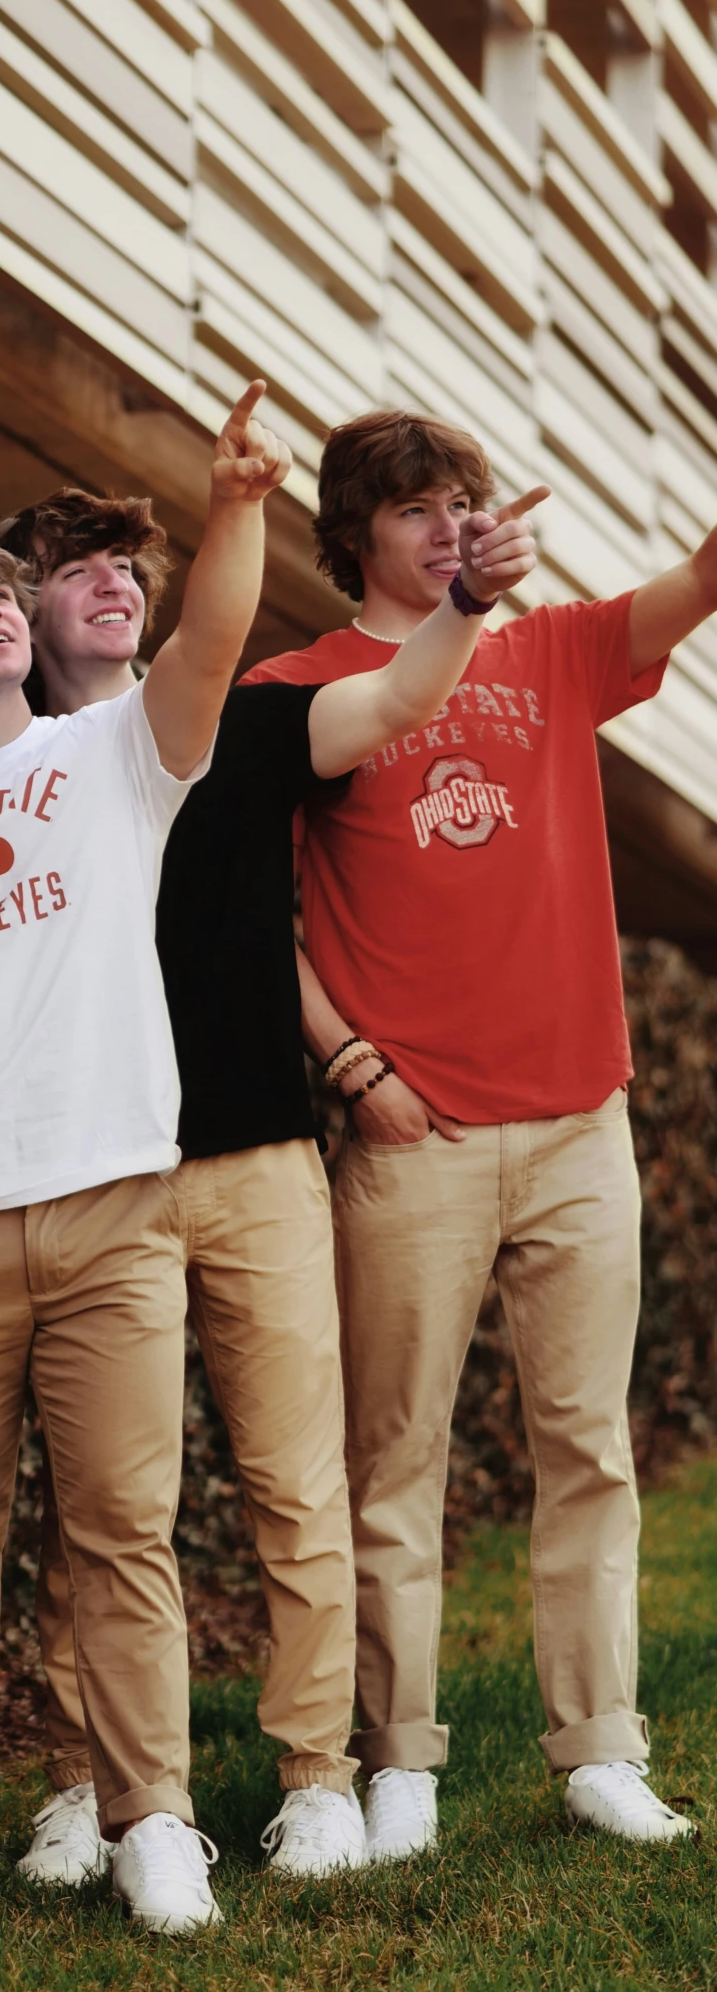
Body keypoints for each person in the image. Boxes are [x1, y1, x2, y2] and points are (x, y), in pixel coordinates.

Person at [0, 475, 544, 1883]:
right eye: (78, 565)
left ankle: (316, 1778)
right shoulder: (5, 766)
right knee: (102, 1507)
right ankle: (78, 1777)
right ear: (25, 604)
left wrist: (466, 601)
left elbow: (403, 700)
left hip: (260, 1161)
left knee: (296, 1483)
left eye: (130, 565)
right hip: (90, 1173)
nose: (115, 582)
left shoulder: (251, 720)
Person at [0, 384, 288, 1938]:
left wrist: (234, 507)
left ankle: (151, 1817)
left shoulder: (116, 763)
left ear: (29, 625)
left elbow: (213, 645)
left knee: (121, 1534)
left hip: (108, 1211)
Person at [245, 407, 707, 1859]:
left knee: (588, 1451)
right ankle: (401, 1762)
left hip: (579, 1119)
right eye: (418, 507)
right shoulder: (297, 684)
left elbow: (697, 582)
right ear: (355, 534)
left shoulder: (553, 650)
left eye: (467, 501)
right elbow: (252, 919)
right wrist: (352, 1062)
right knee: (398, 1463)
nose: (452, 526)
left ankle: (599, 1750)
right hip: (413, 1136)